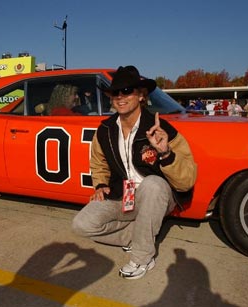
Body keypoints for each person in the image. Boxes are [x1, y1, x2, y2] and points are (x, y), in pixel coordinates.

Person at [72, 65, 197, 280]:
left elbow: (186, 181)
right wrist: (101, 184)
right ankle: (138, 236)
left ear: (141, 96)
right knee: (81, 224)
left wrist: (165, 152)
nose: (120, 97)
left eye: (127, 91)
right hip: (126, 195)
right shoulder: (105, 129)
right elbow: (99, 162)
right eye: (115, 92)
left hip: (158, 196)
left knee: (152, 184)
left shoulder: (162, 128)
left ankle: (142, 257)